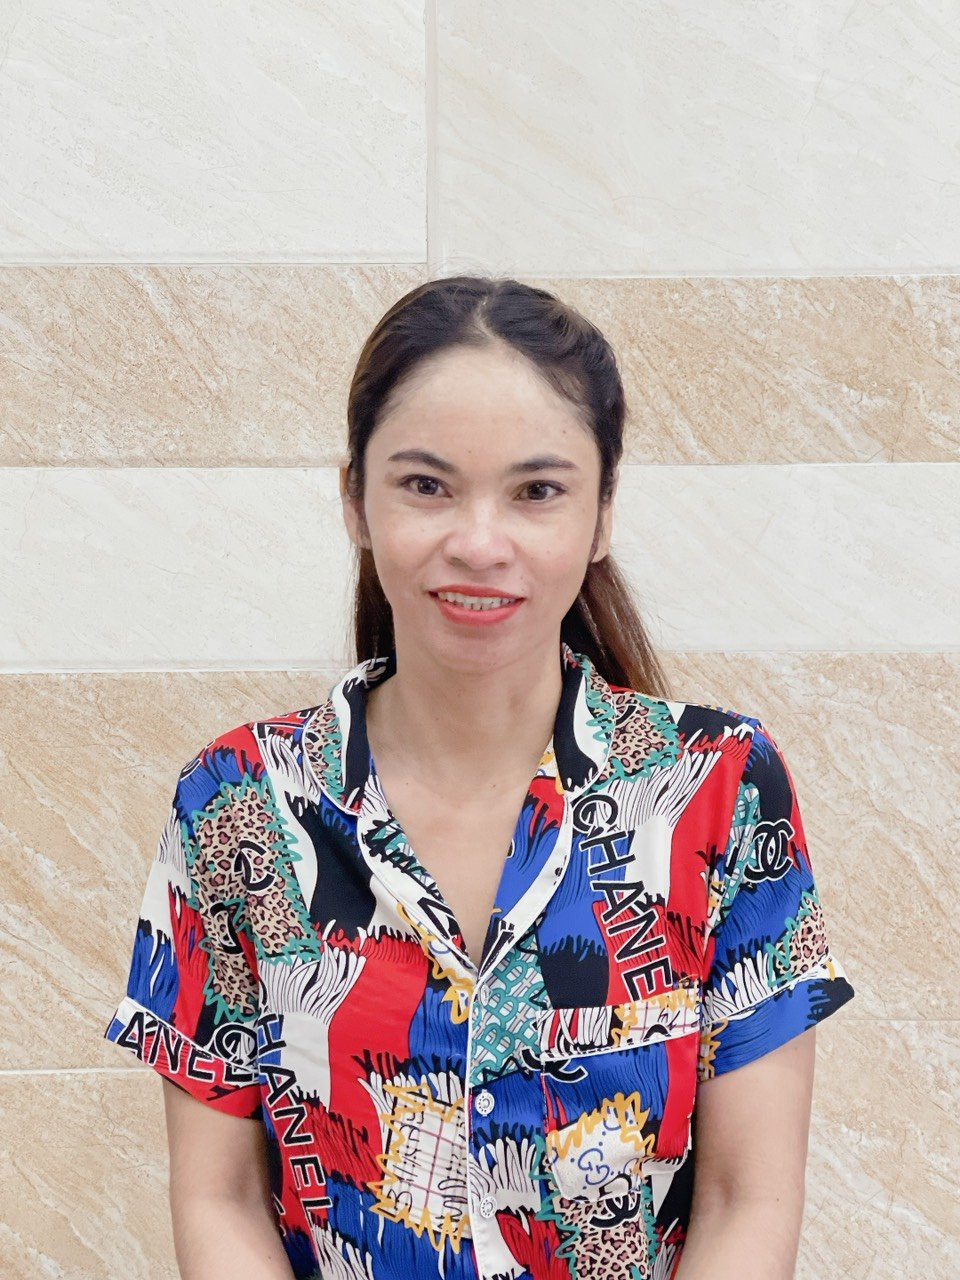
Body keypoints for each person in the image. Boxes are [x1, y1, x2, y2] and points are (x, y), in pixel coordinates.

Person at [104, 275, 856, 1280]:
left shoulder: (721, 787)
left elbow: (745, 1199)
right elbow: (220, 1195)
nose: (479, 542)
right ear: (354, 500)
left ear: (601, 515)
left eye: (537, 491)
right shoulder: (237, 801)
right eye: (427, 485)